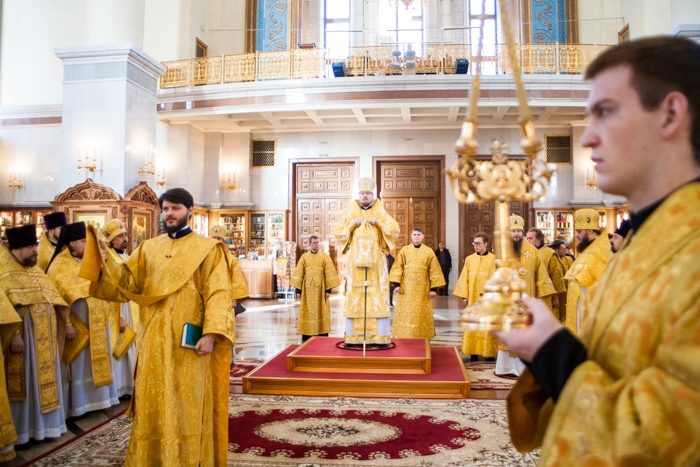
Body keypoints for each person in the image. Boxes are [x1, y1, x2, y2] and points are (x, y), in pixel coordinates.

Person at [497, 36, 700, 465]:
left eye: (605, 112)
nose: (588, 137)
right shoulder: (647, 239)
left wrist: (552, 352)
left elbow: (671, 436)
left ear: (670, 114)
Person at [80, 188, 234, 466]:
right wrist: (103, 257)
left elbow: (219, 293)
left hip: (188, 342)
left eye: (175, 208)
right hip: (152, 339)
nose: (169, 214)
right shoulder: (148, 248)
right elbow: (126, 284)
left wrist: (211, 334)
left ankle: (186, 459)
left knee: (186, 400)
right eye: (165, 209)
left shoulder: (208, 249)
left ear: (190, 211)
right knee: (153, 399)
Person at [0, 224, 70, 452]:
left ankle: (47, 428)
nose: (35, 250)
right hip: (23, 341)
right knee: (25, 385)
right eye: (29, 247)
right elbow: (4, 309)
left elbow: (54, 298)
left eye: (35, 245)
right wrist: (14, 336)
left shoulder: (36, 270)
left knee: (44, 383)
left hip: (45, 340)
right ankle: (24, 432)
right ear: (15, 249)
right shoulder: (3, 272)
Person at [47, 222, 119, 417]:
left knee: (99, 360)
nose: (88, 245)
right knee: (79, 366)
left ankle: (100, 400)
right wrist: (67, 324)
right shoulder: (58, 265)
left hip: (98, 322)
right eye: (83, 241)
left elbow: (106, 283)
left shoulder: (90, 261)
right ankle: (79, 405)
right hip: (77, 325)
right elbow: (54, 298)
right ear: (71, 243)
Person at [333, 177, 399, 346]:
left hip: (376, 267)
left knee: (376, 296)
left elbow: (394, 230)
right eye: (362, 193)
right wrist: (351, 226)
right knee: (356, 297)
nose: (365, 196)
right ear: (359, 195)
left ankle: (379, 337)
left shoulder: (380, 212)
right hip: (356, 268)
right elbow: (338, 232)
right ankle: (354, 337)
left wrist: (379, 224)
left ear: (372, 195)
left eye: (368, 193)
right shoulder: (351, 212)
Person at [495, 215, 555, 376]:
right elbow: (493, 275)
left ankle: (523, 369)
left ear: (522, 233)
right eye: (513, 231)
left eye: (518, 231)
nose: (516, 234)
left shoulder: (533, 252)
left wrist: (542, 298)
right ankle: (505, 367)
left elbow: (541, 276)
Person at [101, 220, 138, 398]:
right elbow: (106, 289)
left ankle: (131, 385)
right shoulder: (108, 258)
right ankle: (118, 389)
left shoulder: (125, 255)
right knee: (120, 349)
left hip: (131, 308)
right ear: (111, 240)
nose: (125, 239)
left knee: (132, 348)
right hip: (118, 311)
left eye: (125, 235)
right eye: (120, 236)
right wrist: (119, 317)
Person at [563, 209, 613, 333]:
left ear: (590, 231)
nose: (576, 235)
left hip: (587, 308)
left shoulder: (601, 251)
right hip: (579, 306)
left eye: (579, 231)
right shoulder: (590, 249)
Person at [389, 227, 445, 339]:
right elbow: (397, 267)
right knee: (406, 313)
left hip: (422, 290)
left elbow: (434, 270)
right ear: (411, 236)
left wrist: (433, 289)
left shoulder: (428, 251)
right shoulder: (404, 250)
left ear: (423, 236)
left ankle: (421, 337)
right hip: (406, 289)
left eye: (419, 235)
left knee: (420, 313)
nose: (416, 237)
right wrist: (396, 285)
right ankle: (404, 335)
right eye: (414, 234)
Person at [453, 232, 497, 361]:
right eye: (474, 243)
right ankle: (473, 352)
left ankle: (489, 352)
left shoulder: (494, 259)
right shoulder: (469, 259)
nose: (476, 246)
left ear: (486, 244)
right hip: (472, 297)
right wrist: (464, 296)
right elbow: (464, 277)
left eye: (478, 243)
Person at [289, 234, 340, 342]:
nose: (316, 244)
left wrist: (328, 290)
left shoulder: (324, 256)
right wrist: (298, 291)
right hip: (307, 290)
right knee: (307, 311)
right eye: (314, 243)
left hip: (321, 290)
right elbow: (299, 273)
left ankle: (322, 334)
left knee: (321, 310)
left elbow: (329, 273)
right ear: (310, 244)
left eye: (318, 242)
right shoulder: (304, 257)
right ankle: (307, 335)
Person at [526, 228, 564, 316]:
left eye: (530, 238)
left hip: (546, 296)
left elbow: (556, 276)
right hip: (530, 294)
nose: (528, 241)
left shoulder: (549, 253)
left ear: (539, 240)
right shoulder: (526, 253)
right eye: (527, 238)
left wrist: (555, 297)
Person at [547, 240, 570, 324]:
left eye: (565, 249)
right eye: (563, 249)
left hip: (566, 292)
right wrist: (555, 297)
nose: (565, 251)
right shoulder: (551, 260)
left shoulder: (568, 259)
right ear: (556, 250)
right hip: (555, 293)